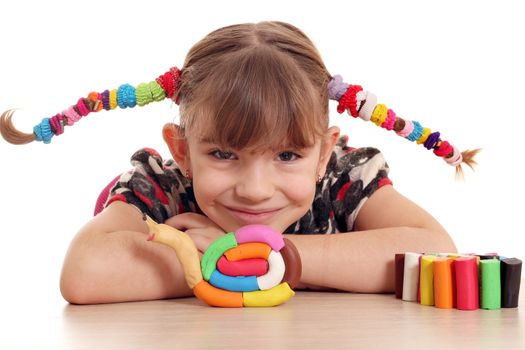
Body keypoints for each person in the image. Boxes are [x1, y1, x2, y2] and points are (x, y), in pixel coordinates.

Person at [0, 21, 478, 305]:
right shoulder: (161, 188)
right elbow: (84, 273)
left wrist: (246, 254)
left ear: (324, 153)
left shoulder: (345, 179)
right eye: (224, 154)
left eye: (288, 155)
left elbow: (433, 251)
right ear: (183, 151)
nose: (254, 189)